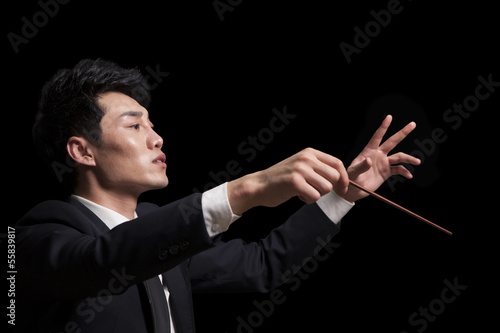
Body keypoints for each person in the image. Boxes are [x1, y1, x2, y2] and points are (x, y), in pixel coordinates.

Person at [16, 58, 421, 333]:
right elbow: (100, 261)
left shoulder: (167, 239)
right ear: (82, 151)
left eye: (153, 125)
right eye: (134, 126)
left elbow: (263, 264)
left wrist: (342, 196)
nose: (157, 138)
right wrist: (246, 190)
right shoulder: (36, 236)